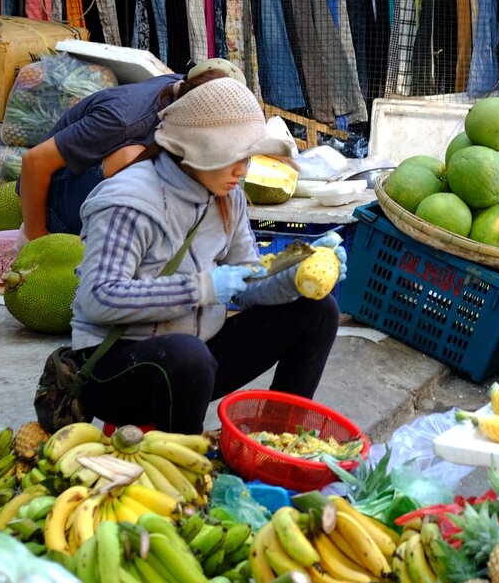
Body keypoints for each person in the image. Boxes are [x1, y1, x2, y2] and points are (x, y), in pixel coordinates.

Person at [70, 76, 346, 433]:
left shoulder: (227, 196)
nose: (242, 170)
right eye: (233, 157)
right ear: (195, 150)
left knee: (317, 311)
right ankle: (184, 464)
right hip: (116, 370)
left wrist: (294, 274)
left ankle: (278, 442)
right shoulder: (128, 202)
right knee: (188, 357)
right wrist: (202, 288)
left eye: (247, 158)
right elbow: (98, 297)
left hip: (195, 357)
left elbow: (246, 282)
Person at [18, 57, 247, 241]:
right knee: (134, 157)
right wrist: (37, 241)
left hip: (97, 192)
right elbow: (34, 162)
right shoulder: (122, 119)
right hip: (53, 207)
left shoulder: (186, 88)